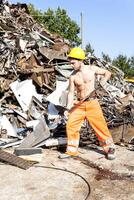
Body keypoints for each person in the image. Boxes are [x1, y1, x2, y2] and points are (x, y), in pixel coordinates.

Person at [59, 47, 116, 160]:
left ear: (80, 60)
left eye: (73, 63)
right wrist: (68, 107)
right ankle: (71, 150)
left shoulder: (92, 69)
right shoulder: (73, 76)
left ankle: (109, 148)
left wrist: (103, 82)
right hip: (79, 105)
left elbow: (107, 73)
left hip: (92, 104)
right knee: (71, 125)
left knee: (100, 127)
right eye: (70, 63)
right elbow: (71, 93)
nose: (71, 65)